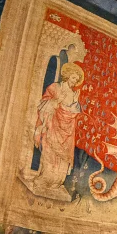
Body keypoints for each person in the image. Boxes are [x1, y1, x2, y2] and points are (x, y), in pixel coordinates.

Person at [30, 62, 84, 199]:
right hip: (53, 126)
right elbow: (43, 104)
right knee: (49, 153)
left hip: (66, 131)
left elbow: (73, 113)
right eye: (73, 78)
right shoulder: (55, 87)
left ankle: (56, 183)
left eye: (76, 80)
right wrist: (55, 102)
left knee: (62, 159)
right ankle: (44, 179)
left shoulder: (73, 94)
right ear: (67, 76)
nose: (74, 82)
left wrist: (75, 103)